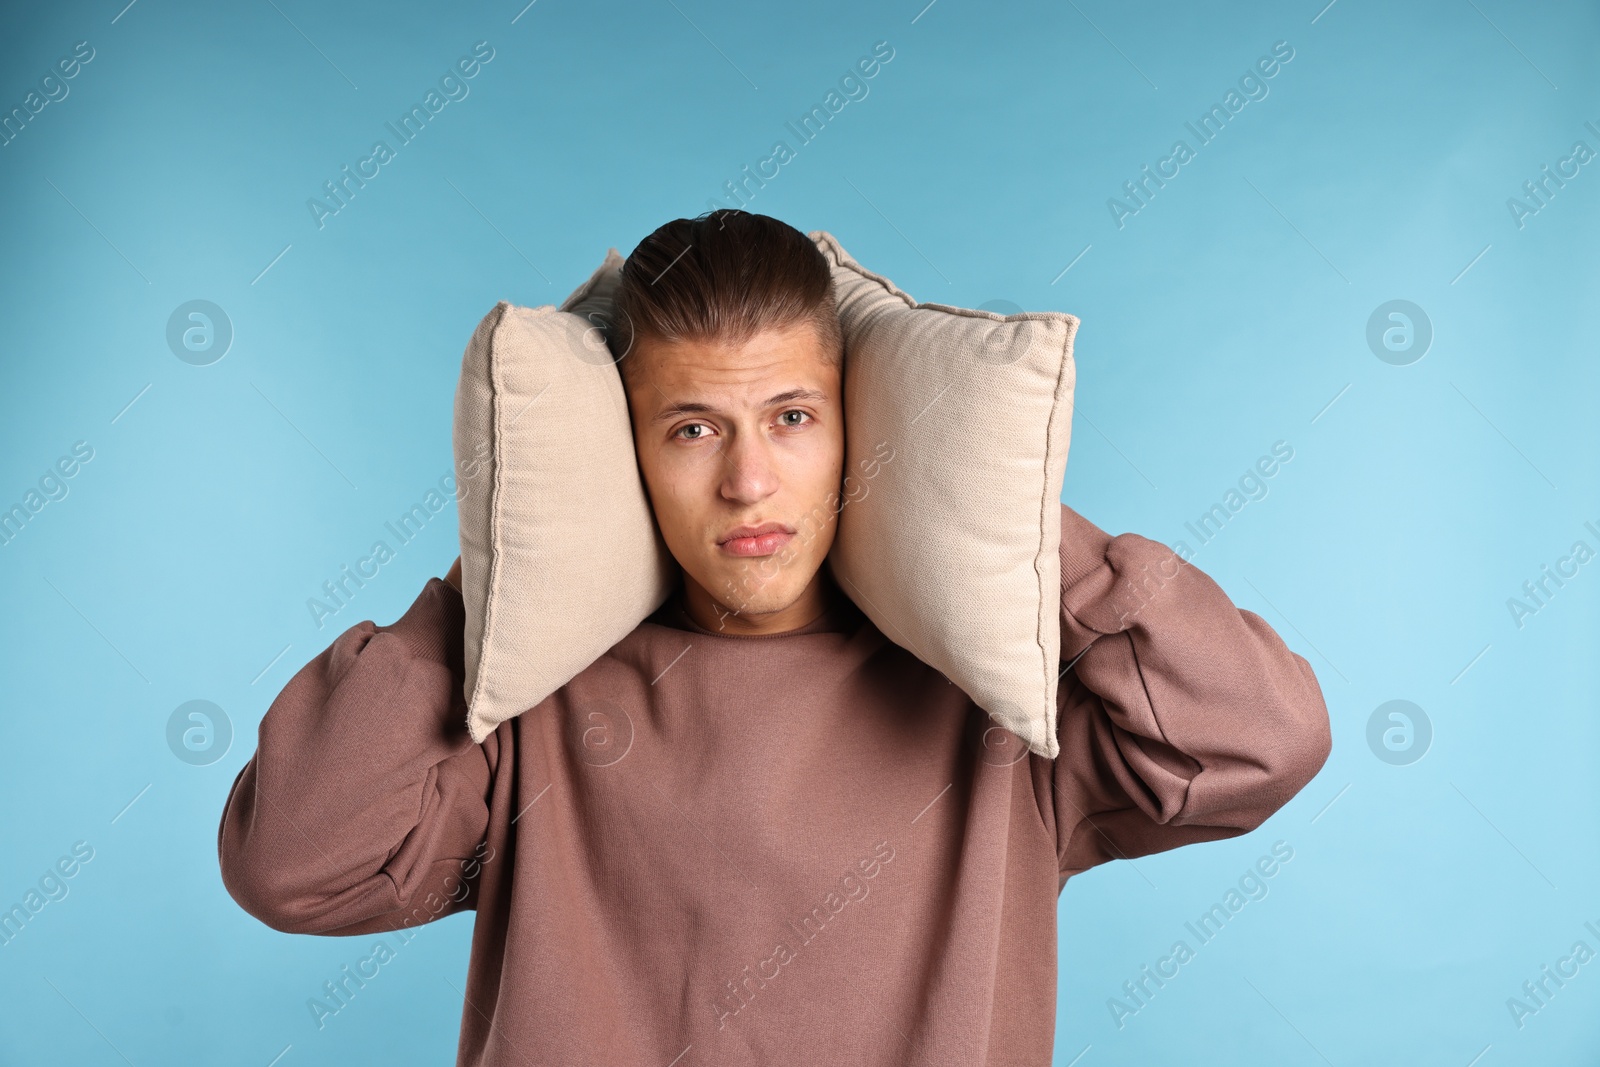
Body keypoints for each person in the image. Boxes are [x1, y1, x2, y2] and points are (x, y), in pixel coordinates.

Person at [217, 209, 1332, 1065]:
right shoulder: (538, 709)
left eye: (793, 416)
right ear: (625, 452)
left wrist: (1001, 521)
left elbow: (1257, 744)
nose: (749, 482)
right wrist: (507, 555)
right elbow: (292, 866)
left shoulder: (999, 706)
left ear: (861, 423)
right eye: (691, 427)